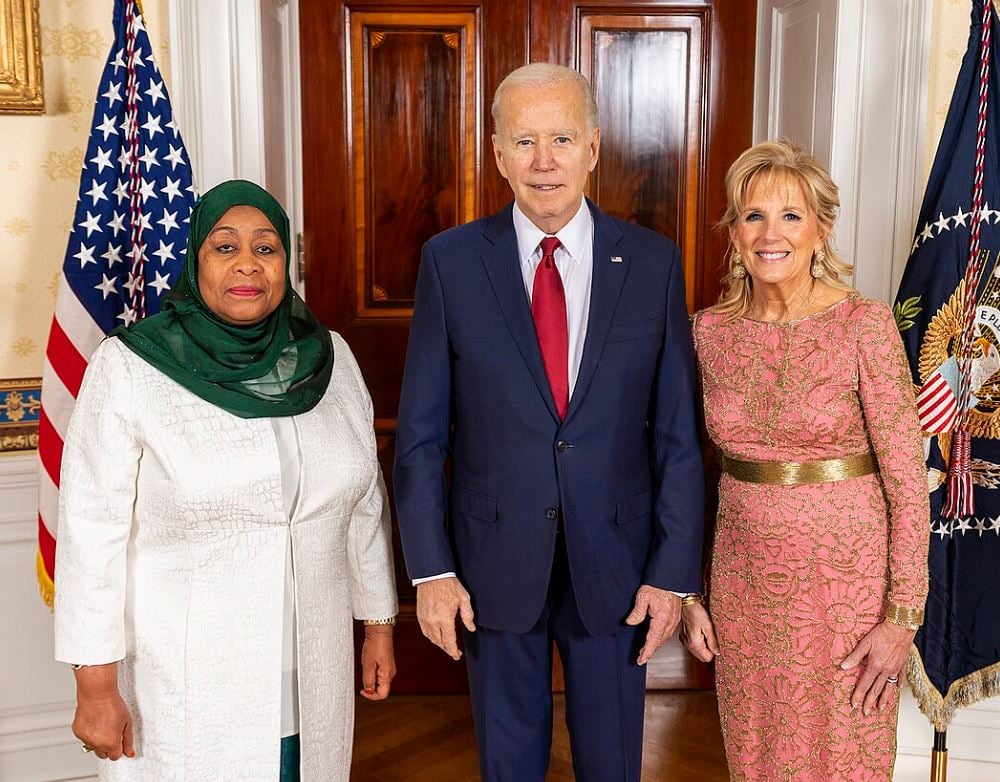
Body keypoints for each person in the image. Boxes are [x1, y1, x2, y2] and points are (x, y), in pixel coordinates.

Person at [394, 63, 704, 781]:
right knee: (507, 763)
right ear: (498, 154)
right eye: (524, 141)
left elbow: (679, 438)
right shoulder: (449, 263)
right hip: (491, 558)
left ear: (593, 147)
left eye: (561, 138)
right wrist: (432, 569)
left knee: (611, 761)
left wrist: (671, 573)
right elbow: (420, 436)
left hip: (619, 566)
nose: (544, 161)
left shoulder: (653, 263)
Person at [53, 180, 398, 782]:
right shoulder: (132, 367)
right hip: (187, 676)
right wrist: (95, 683)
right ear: (195, 260)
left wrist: (379, 625)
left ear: (285, 263)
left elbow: (364, 502)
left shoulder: (331, 358)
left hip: (311, 663)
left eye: (265, 248)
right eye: (224, 247)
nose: (247, 264)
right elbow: (90, 533)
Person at [680, 140, 929, 780]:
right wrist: (690, 590)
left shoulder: (864, 324)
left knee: (843, 754)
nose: (771, 234)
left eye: (791, 216)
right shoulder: (708, 332)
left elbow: (907, 482)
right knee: (758, 755)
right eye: (753, 215)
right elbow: (690, 475)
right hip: (743, 584)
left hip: (846, 590)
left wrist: (902, 616)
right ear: (733, 233)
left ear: (820, 229)